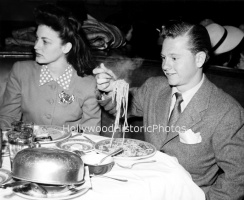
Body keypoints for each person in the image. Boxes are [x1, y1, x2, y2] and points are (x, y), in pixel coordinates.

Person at [93, 20, 244, 199]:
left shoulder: (227, 112)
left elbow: (237, 177)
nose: (165, 66)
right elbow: (127, 107)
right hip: (143, 187)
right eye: (164, 57)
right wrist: (110, 90)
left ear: (199, 59)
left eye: (174, 58)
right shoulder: (154, 87)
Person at [0, 4, 101, 133]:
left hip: (68, 150)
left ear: (66, 47)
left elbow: (91, 132)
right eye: (37, 38)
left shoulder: (88, 84)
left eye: (45, 41)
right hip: (28, 149)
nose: (36, 46)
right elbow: (8, 118)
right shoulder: (21, 72)